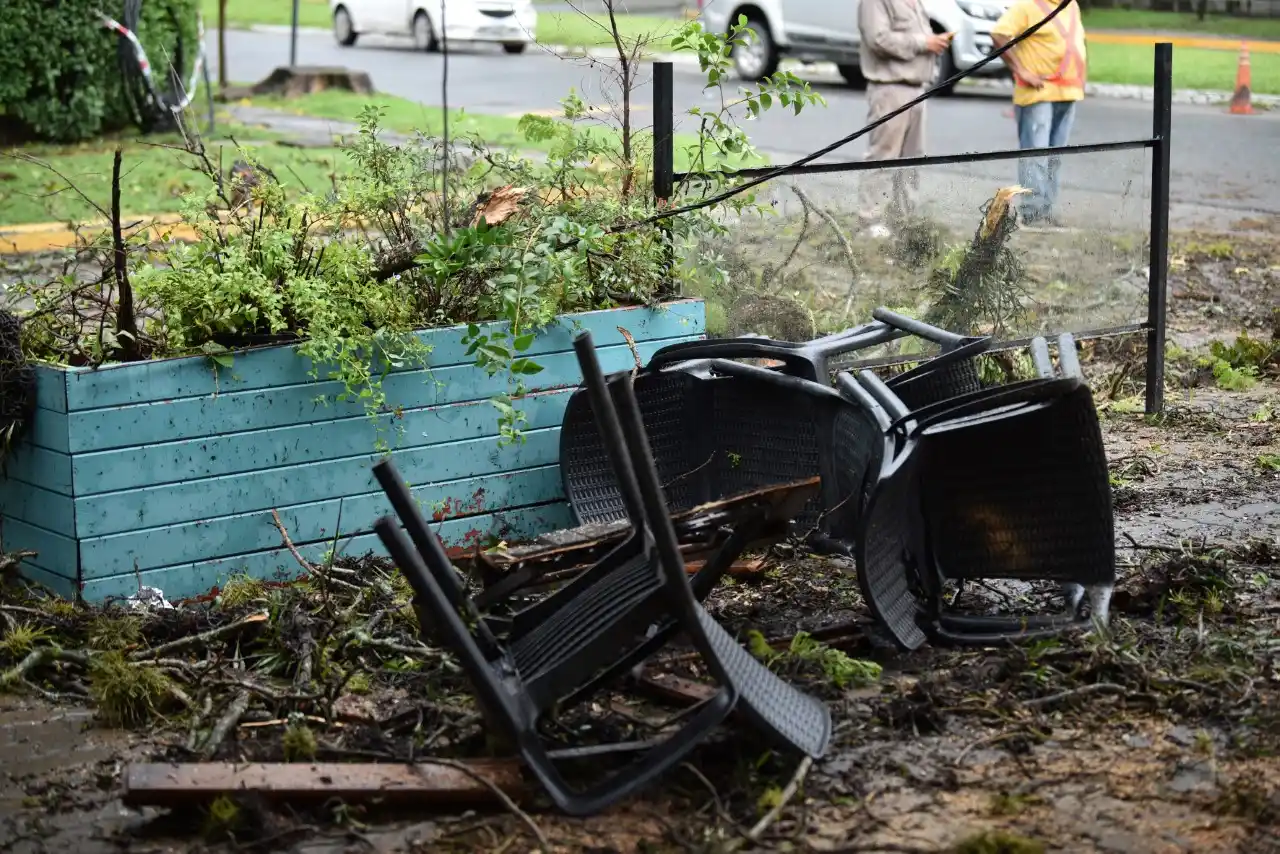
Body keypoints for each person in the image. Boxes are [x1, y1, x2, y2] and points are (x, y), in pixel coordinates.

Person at [856, 0, 953, 236]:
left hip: (917, 89)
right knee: (883, 158)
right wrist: (924, 43)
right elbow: (878, 39)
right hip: (890, 88)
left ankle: (903, 220)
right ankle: (870, 222)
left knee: (912, 160)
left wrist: (934, 41)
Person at [991, 0, 1087, 226]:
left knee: (1054, 158)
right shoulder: (1028, 5)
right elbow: (999, 35)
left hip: (1068, 92)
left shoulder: (1071, 5)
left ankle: (1046, 211)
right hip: (1038, 93)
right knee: (1036, 157)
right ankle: (1032, 214)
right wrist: (1021, 71)